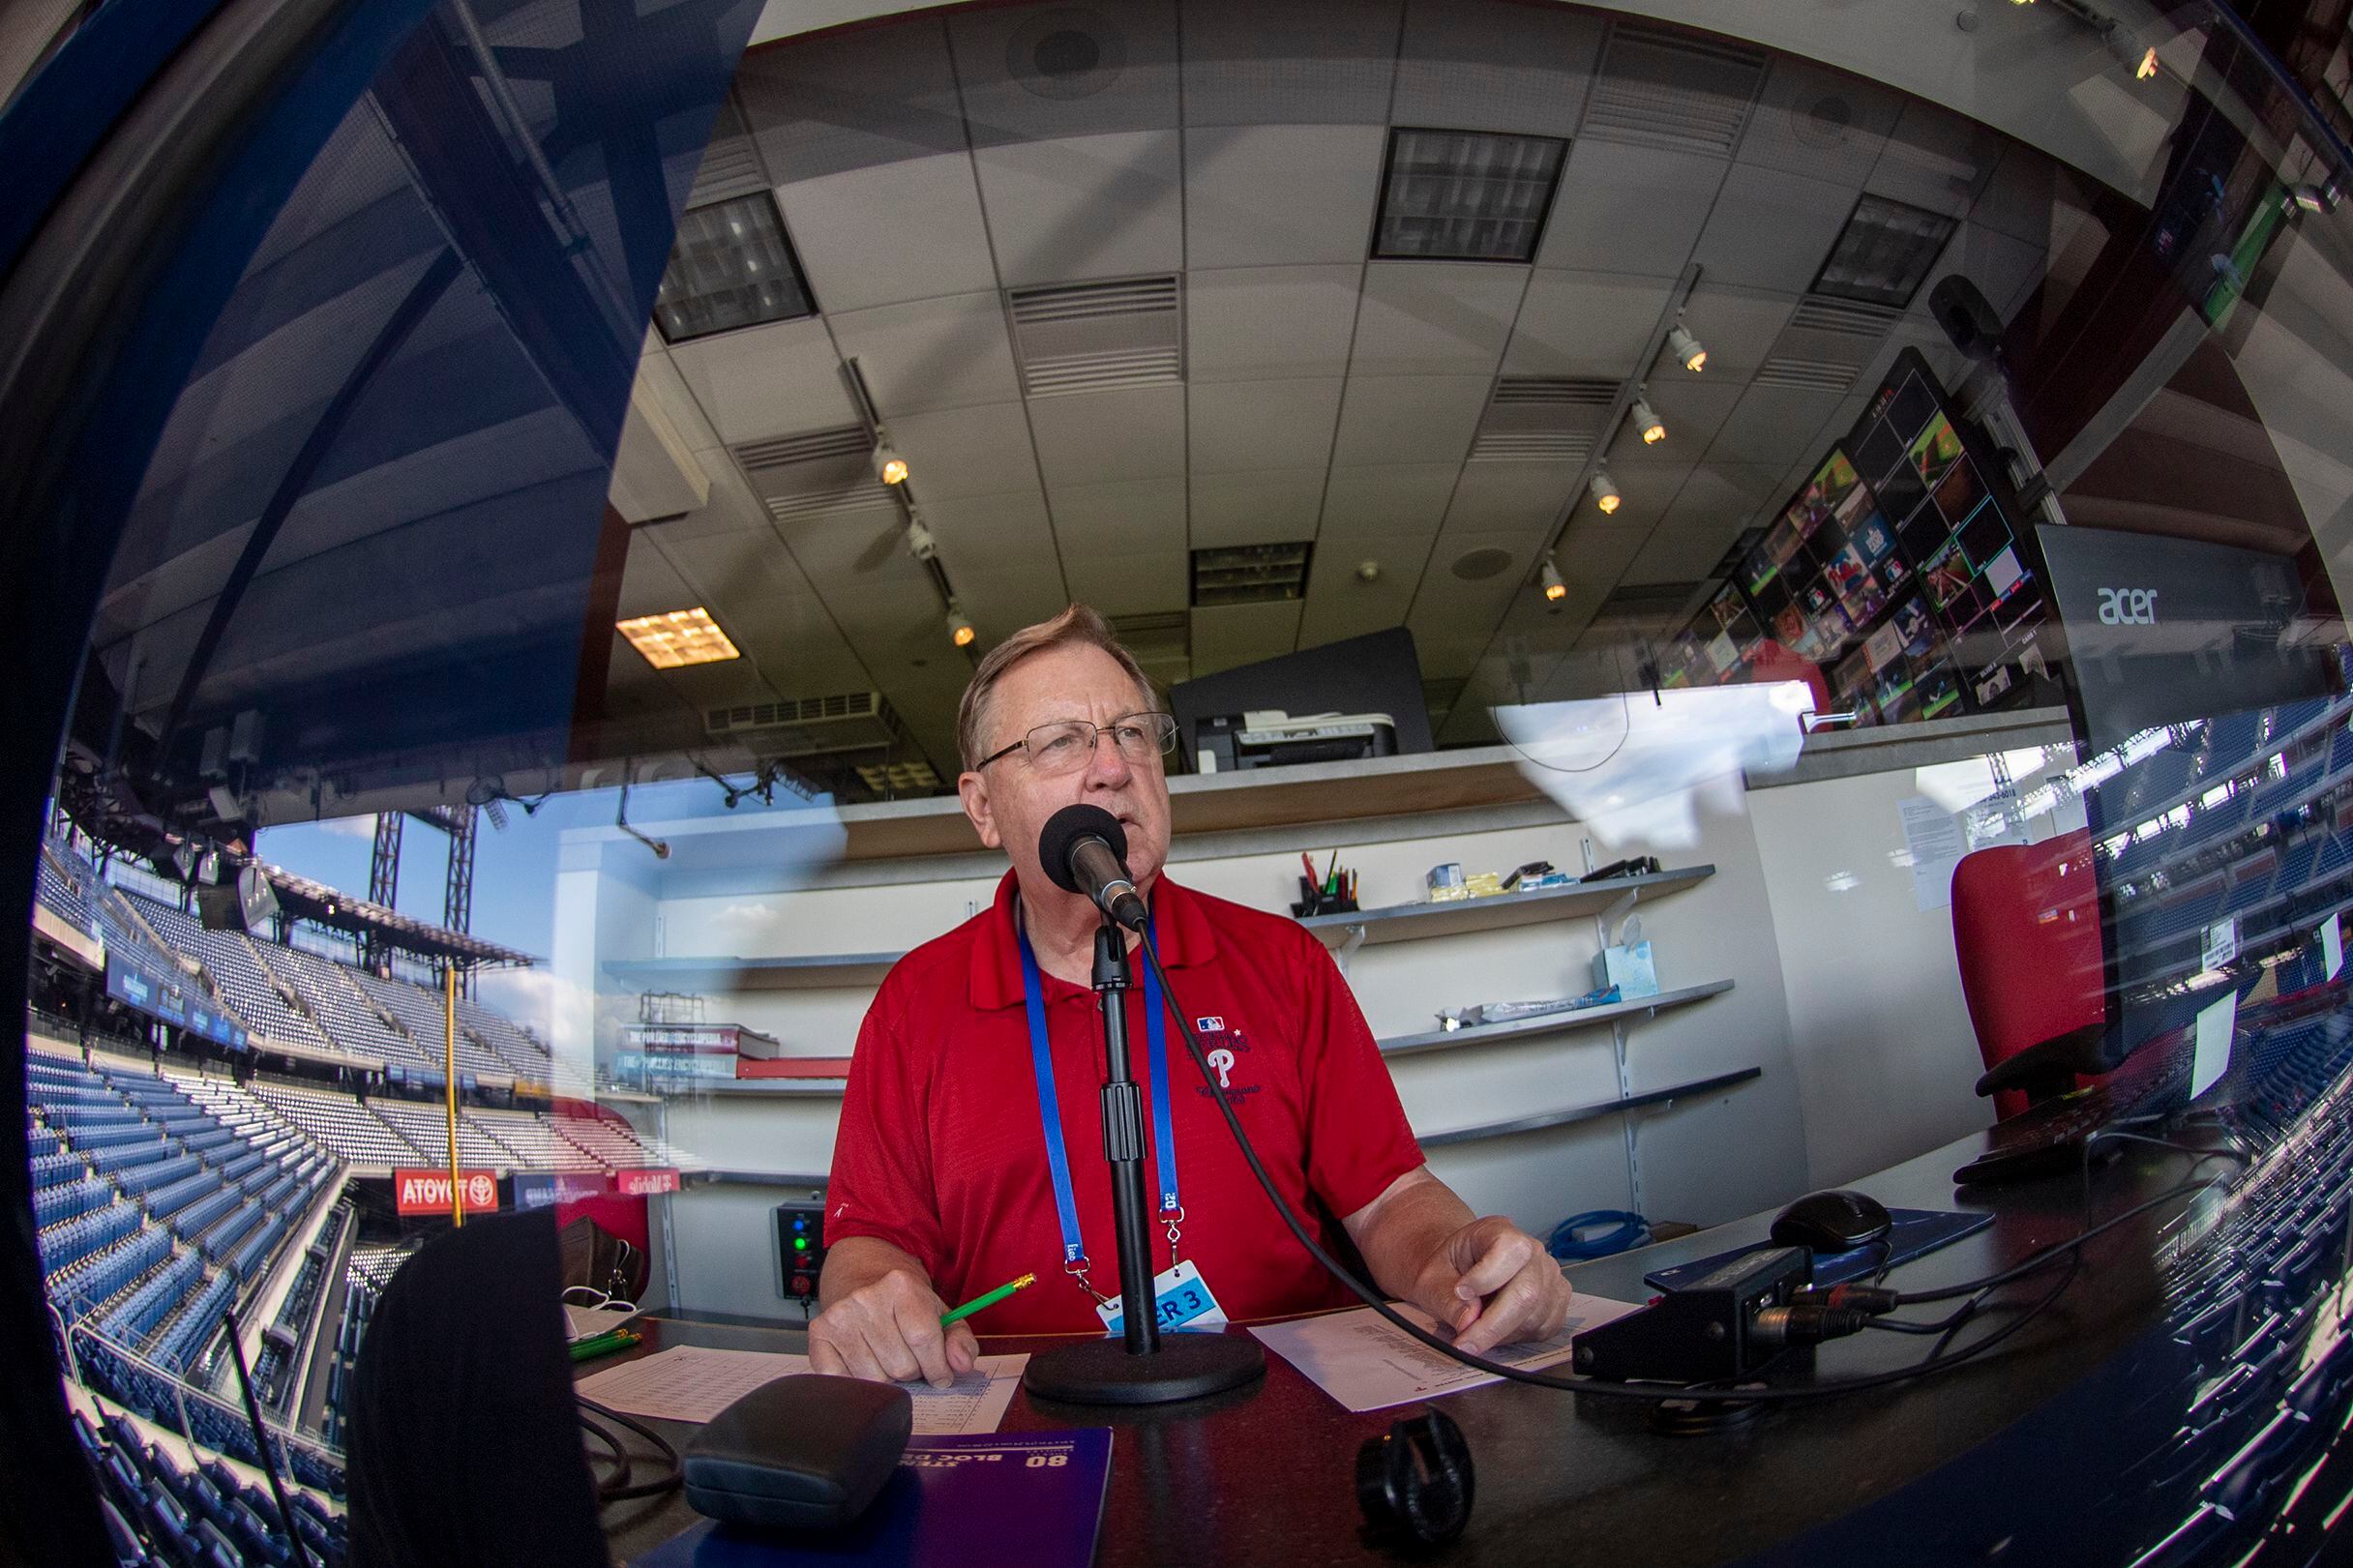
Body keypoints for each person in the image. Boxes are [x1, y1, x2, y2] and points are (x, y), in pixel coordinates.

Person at [811, 606, 1573, 1387]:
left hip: (1282, 1405)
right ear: (981, 805)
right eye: (1061, 741)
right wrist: (872, 1299)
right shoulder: (914, 1003)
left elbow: (1388, 1199)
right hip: (1026, 1423)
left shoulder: (1286, 964)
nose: (1113, 767)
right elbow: (869, 1237)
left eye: (1134, 733)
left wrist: (1454, 1257)